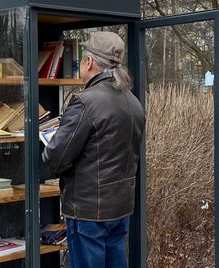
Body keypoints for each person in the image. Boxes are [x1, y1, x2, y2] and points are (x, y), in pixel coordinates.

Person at [41, 31, 145, 268]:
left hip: (88, 211)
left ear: (89, 62)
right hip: (120, 206)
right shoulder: (133, 101)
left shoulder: (85, 101)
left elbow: (56, 157)